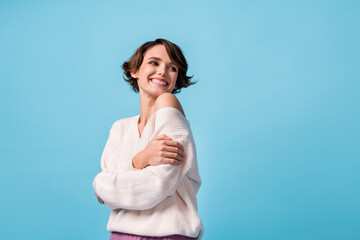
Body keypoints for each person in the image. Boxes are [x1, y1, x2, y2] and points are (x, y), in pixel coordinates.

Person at [93, 38, 204, 240]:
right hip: (120, 235)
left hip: (168, 235)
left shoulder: (168, 103)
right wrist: (141, 159)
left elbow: (157, 185)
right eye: (154, 62)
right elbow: (103, 194)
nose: (163, 71)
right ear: (135, 71)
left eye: (172, 68)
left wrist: (102, 182)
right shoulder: (120, 128)